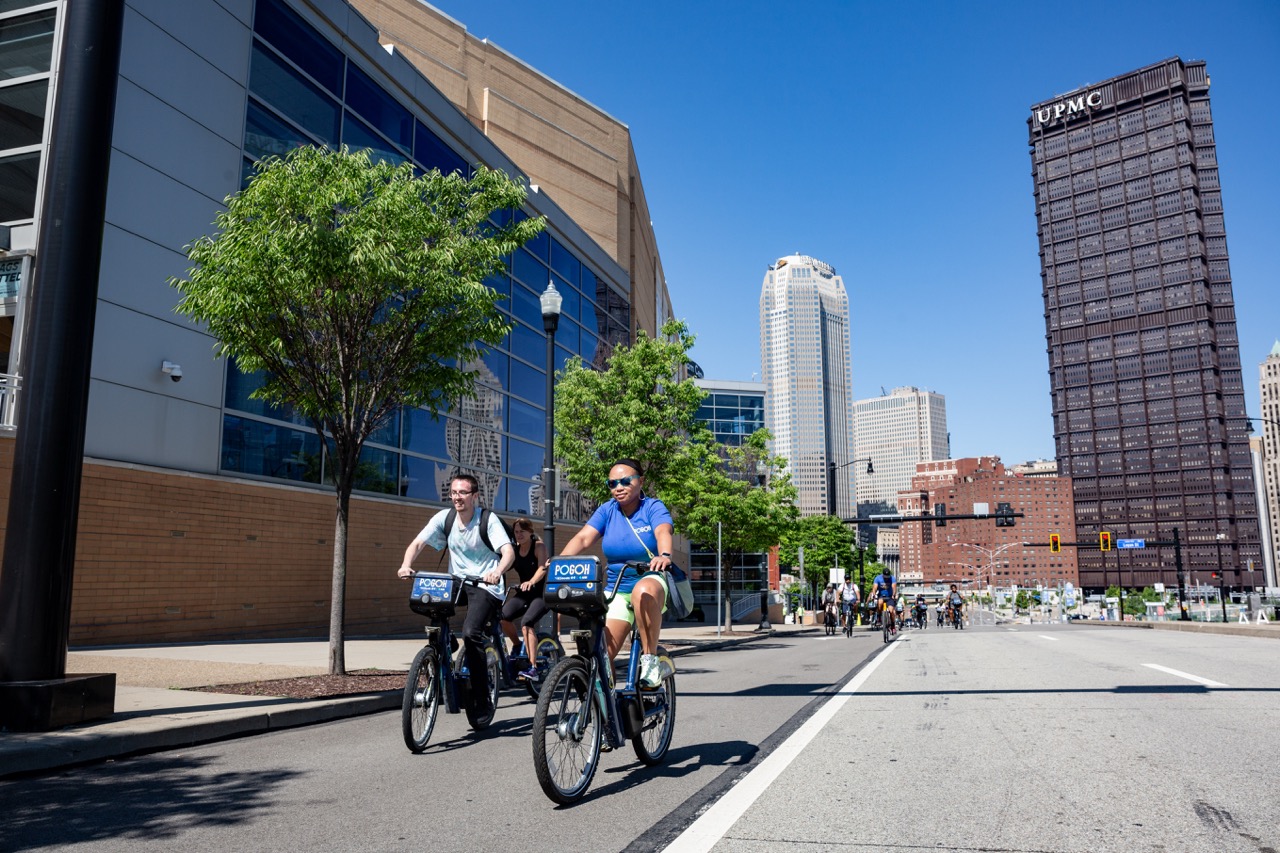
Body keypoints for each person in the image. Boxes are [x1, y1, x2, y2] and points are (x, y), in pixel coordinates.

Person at [398, 473, 514, 715]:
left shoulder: (487, 520)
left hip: (485, 584)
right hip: (457, 582)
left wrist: (497, 571)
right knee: (428, 602)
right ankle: (443, 641)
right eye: (453, 492)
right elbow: (418, 543)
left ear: (474, 496)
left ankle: (482, 698)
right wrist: (406, 564)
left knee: (471, 633)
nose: (457, 497)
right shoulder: (445, 518)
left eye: (462, 493)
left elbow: (508, 552)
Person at [556, 458, 675, 688]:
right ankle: (607, 709)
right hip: (617, 589)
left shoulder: (652, 507)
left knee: (642, 591)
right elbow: (583, 538)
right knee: (601, 656)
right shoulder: (607, 510)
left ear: (640, 481)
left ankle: (650, 660)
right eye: (612, 483)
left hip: (650, 579)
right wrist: (558, 562)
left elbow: (663, 530)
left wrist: (665, 555)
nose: (618, 487)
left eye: (625, 481)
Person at [501, 517, 550, 682]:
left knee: (526, 623)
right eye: (516, 532)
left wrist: (531, 581)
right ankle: (516, 645)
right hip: (524, 593)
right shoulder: (514, 550)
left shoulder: (539, 547)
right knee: (503, 616)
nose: (519, 534)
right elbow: (504, 564)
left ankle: (533, 667)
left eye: (522, 531)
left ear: (530, 532)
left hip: (540, 593)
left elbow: (542, 568)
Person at [870, 569, 897, 633]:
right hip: (881, 596)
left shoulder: (892, 578)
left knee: (891, 610)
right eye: (885, 577)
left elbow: (894, 587)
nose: (886, 578)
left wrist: (893, 595)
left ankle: (893, 625)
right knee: (879, 603)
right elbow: (874, 588)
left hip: (890, 596)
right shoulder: (878, 578)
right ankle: (879, 617)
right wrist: (874, 595)